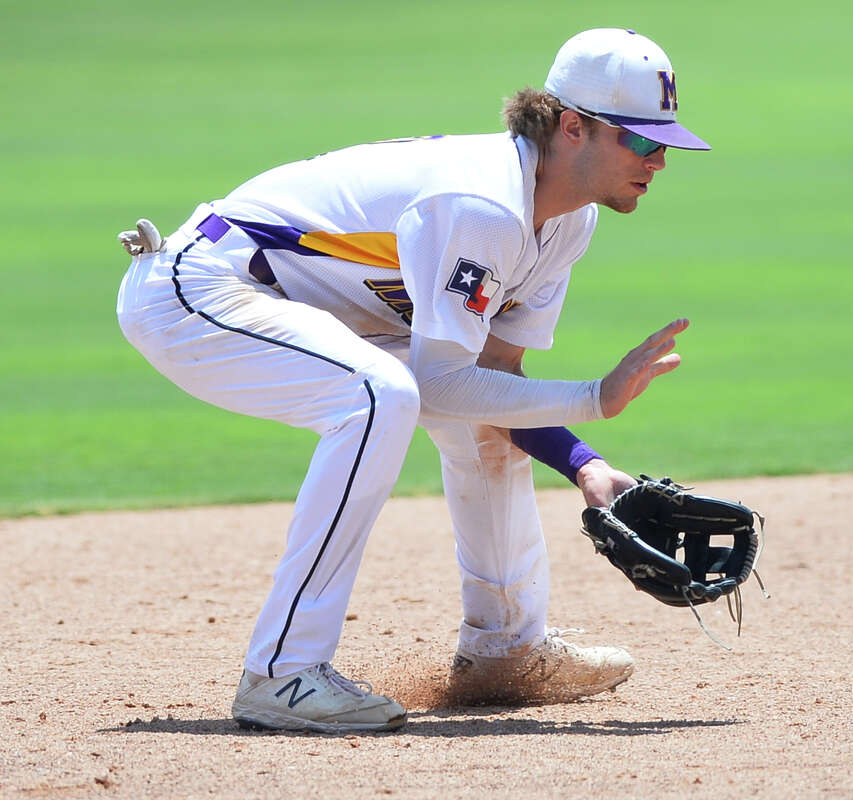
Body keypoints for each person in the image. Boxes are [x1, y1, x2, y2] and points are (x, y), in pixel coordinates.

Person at [115, 27, 710, 734]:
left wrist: (588, 466)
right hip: (201, 290)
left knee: (477, 422)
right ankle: (282, 673)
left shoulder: (567, 222)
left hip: (294, 305)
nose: (660, 158)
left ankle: (505, 649)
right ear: (573, 128)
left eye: (666, 141)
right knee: (377, 395)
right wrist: (593, 400)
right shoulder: (483, 204)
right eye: (642, 140)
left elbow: (491, 381)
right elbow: (438, 382)